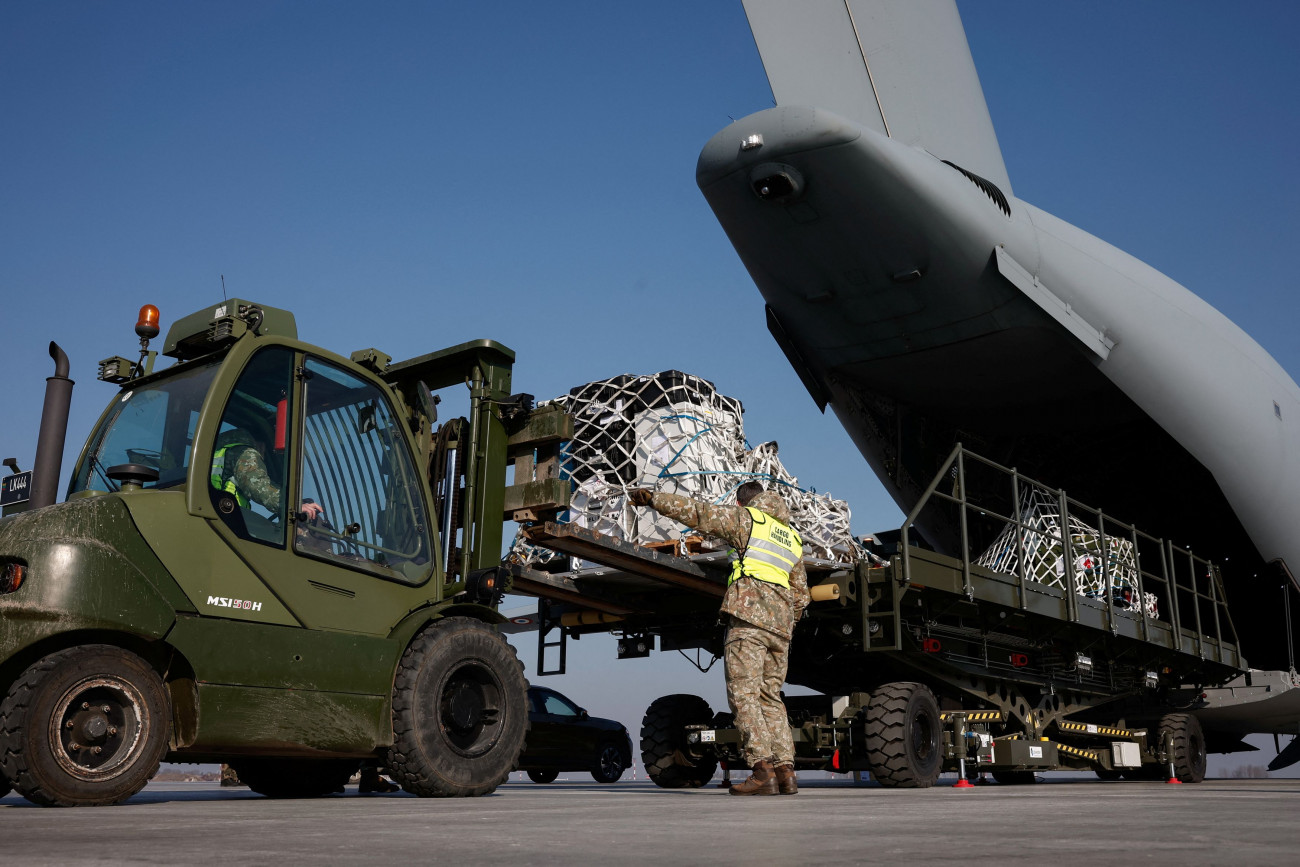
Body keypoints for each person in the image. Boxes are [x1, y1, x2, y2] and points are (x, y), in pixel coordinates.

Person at [628, 481, 808, 796]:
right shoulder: (792, 538)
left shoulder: (749, 520)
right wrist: (782, 617)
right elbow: (802, 596)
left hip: (749, 620)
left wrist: (653, 498)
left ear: (742, 504)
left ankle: (761, 769)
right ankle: (786, 771)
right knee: (771, 698)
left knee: (744, 696)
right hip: (781, 630)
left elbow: (699, 513)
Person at [211, 428, 323, 521]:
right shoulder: (245, 452)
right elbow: (257, 485)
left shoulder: (216, 454)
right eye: (264, 452)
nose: (262, 456)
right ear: (261, 445)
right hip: (226, 518)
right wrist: (293, 505)